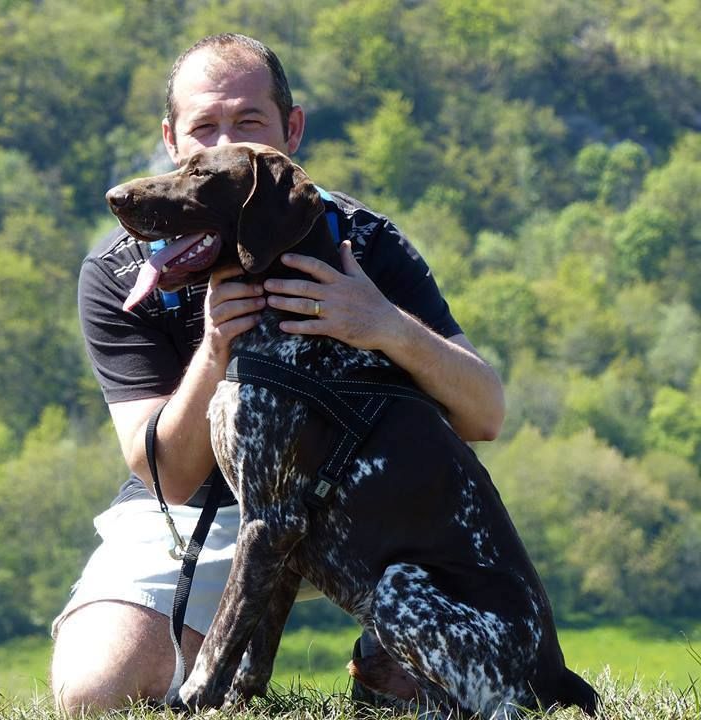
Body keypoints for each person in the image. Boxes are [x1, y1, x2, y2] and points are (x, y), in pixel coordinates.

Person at [50, 33, 505, 714]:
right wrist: (214, 350)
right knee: (96, 691)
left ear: (291, 130)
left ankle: (380, 659)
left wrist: (382, 323)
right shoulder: (122, 270)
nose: (222, 140)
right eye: (203, 127)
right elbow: (164, 474)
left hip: (365, 513)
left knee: (434, 686)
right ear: (173, 140)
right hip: (201, 512)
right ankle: (211, 659)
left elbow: (484, 412)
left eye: (249, 121)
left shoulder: (361, 240)